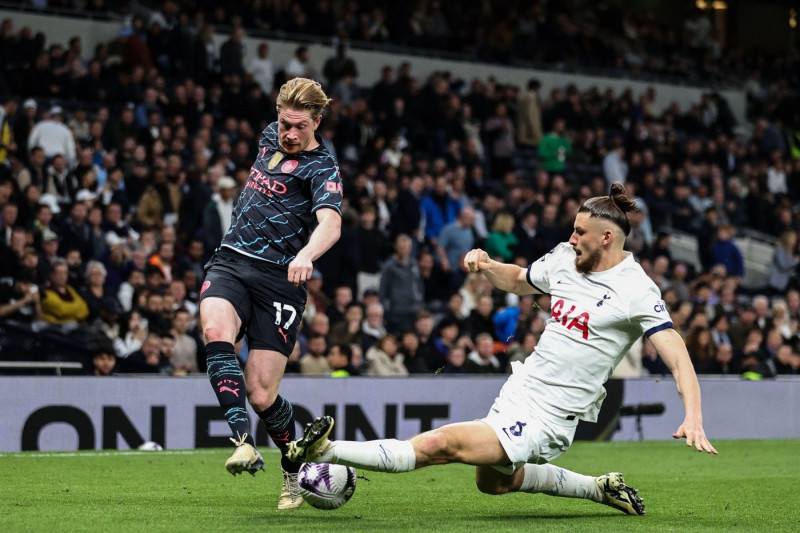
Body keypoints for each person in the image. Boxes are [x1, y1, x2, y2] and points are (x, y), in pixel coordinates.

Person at [287, 182, 717, 516]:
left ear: (607, 238)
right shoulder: (566, 258)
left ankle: (327, 449)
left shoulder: (637, 290)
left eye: (580, 231)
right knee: (493, 484)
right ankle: (599, 487)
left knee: (440, 445)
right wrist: (488, 264)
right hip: (522, 390)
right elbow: (518, 280)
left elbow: (676, 355)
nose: (571, 237)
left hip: (552, 417)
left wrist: (694, 415)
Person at [198, 78, 342, 510]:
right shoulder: (268, 136)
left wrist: (307, 254)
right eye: (284, 124)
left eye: (300, 126)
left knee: (261, 392)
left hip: (281, 278)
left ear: (317, 122)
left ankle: (292, 466)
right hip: (231, 261)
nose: (289, 134)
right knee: (214, 330)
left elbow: (331, 224)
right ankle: (242, 442)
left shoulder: (323, 168)